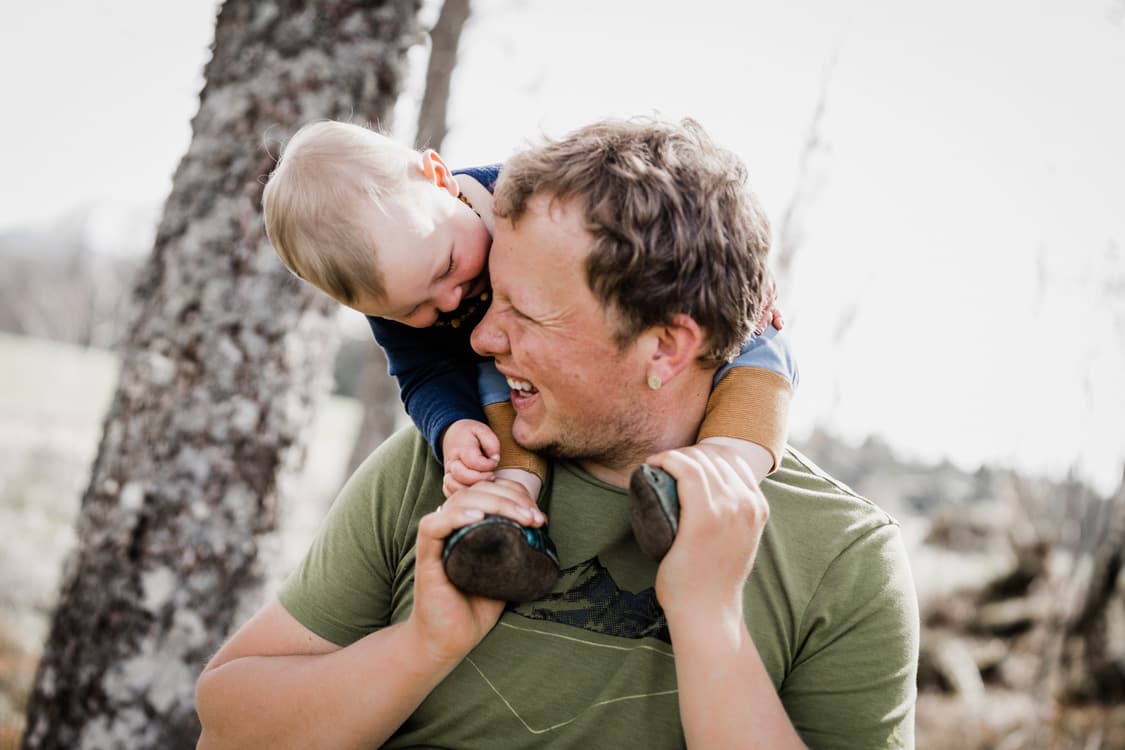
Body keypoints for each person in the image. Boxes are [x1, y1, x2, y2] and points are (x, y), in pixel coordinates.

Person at [196, 117, 919, 749]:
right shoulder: (438, 476)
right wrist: (422, 644)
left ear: (666, 347)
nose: (477, 334)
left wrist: (708, 620)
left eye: (525, 311)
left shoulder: (842, 558)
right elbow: (225, 733)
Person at [258, 120, 797, 601]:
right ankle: (510, 509)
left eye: (447, 266)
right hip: (519, 382)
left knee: (760, 342)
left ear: (439, 178)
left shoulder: (527, 192)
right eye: (413, 310)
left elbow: (671, 213)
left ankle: (721, 472)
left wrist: (734, 268)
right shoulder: (412, 289)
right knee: (486, 376)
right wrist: (452, 426)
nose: (451, 302)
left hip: (647, 320)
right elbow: (423, 374)